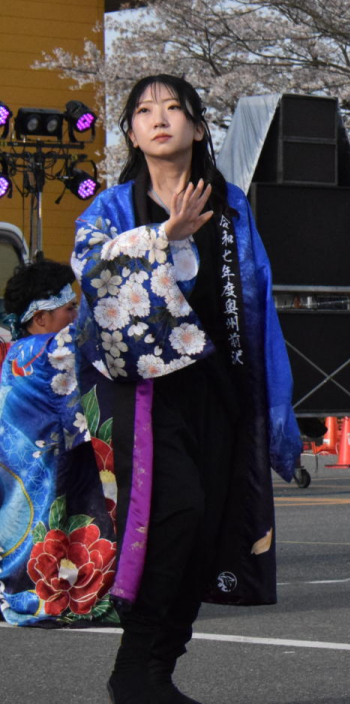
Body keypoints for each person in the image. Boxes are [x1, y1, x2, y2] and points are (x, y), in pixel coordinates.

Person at [72, 74, 302, 702]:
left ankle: (158, 671)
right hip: (143, 393)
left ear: (199, 127)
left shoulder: (231, 207)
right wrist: (159, 240)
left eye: (175, 108)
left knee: (208, 528)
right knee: (174, 514)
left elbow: (257, 304)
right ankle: (132, 668)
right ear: (130, 133)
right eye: (144, 111)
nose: (160, 118)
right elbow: (92, 277)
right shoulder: (112, 210)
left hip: (217, 386)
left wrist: (275, 404)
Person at [0, 260, 118, 627]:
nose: (77, 314)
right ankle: (51, 596)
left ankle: (27, 591)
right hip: (48, 460)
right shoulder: (52, 347)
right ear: (40, 317)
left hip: (24, 459)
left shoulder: (19, 351)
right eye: (70, 308)